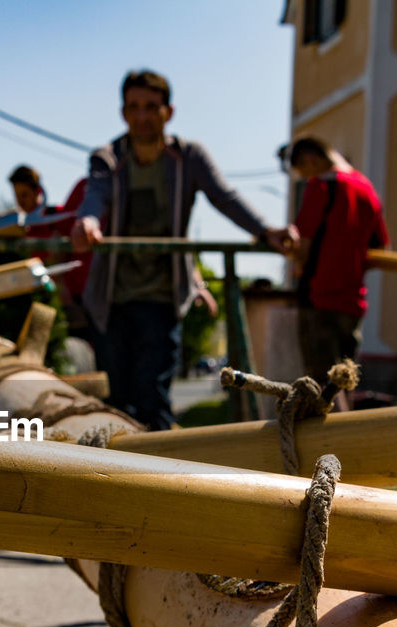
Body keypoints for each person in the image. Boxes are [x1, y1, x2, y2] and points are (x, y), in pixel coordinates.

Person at [70, 69, 297, 430]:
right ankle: (109, 477)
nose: (142, 116)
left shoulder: (188, 157)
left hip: (162, 297)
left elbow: (225, 197)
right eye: (134, 107)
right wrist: (90, 222)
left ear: (168, 112)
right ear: (123, 112)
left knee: (152, 395)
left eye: (151, 107)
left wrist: (265, 230)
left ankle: (155, 480)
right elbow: (94, 195)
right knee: (117, 398)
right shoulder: (109, 157)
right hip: (112, 299)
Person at [285, 136, 390, 410]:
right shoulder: (366, 188)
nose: (306, 178)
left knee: (320, 386)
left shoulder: (320, 186)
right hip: (353, 302)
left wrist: (296, 260)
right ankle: (347, 443)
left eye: (303, 172)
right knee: (345, 382)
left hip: (319, 300)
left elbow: (302, 243)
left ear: (311, 160)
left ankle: (331, 450)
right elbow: (380, 248)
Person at [7, 164, 93, 334]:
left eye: (24, 194)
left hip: (69, 302)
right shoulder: (19, 230)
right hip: (35, 301)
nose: (21, 201)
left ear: (38, 191)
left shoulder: (57, 218)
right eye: (17, 196)